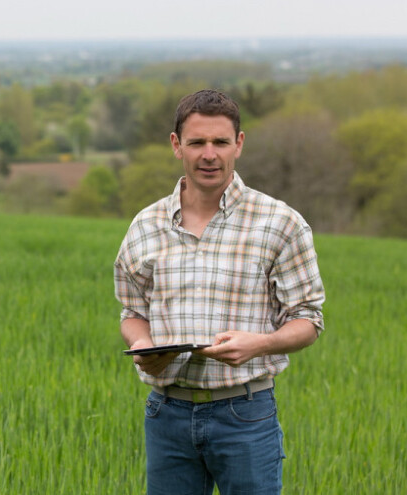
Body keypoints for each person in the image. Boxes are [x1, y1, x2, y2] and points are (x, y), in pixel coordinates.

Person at [114, 89, 325, 495]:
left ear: (238, 145)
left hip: (245, 414)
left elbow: (309, 320)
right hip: (166, 413)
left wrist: (260, 344)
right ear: (177, 146)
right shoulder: (145, 225)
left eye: (220, 142)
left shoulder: (280, 223)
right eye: (197, 142)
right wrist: (143, 346)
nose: (209, 154)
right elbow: (132, 311)